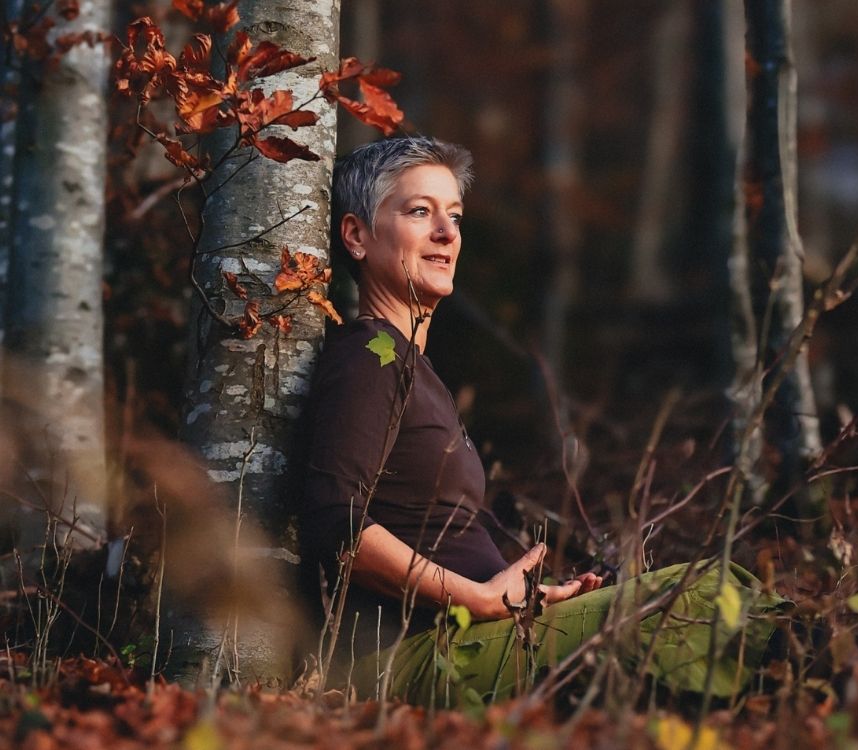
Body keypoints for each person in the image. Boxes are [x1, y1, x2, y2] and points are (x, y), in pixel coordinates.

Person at [297, 136, 780, 707]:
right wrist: (474, 599)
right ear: (356, 235)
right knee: (697, 596)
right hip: (409, 659)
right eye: (420, 211)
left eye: (454, 215)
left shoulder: (411, 368)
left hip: (471, 635)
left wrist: (536, 596)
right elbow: (336, 522)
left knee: (709, 603)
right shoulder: (369, 356)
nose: (448, 234)